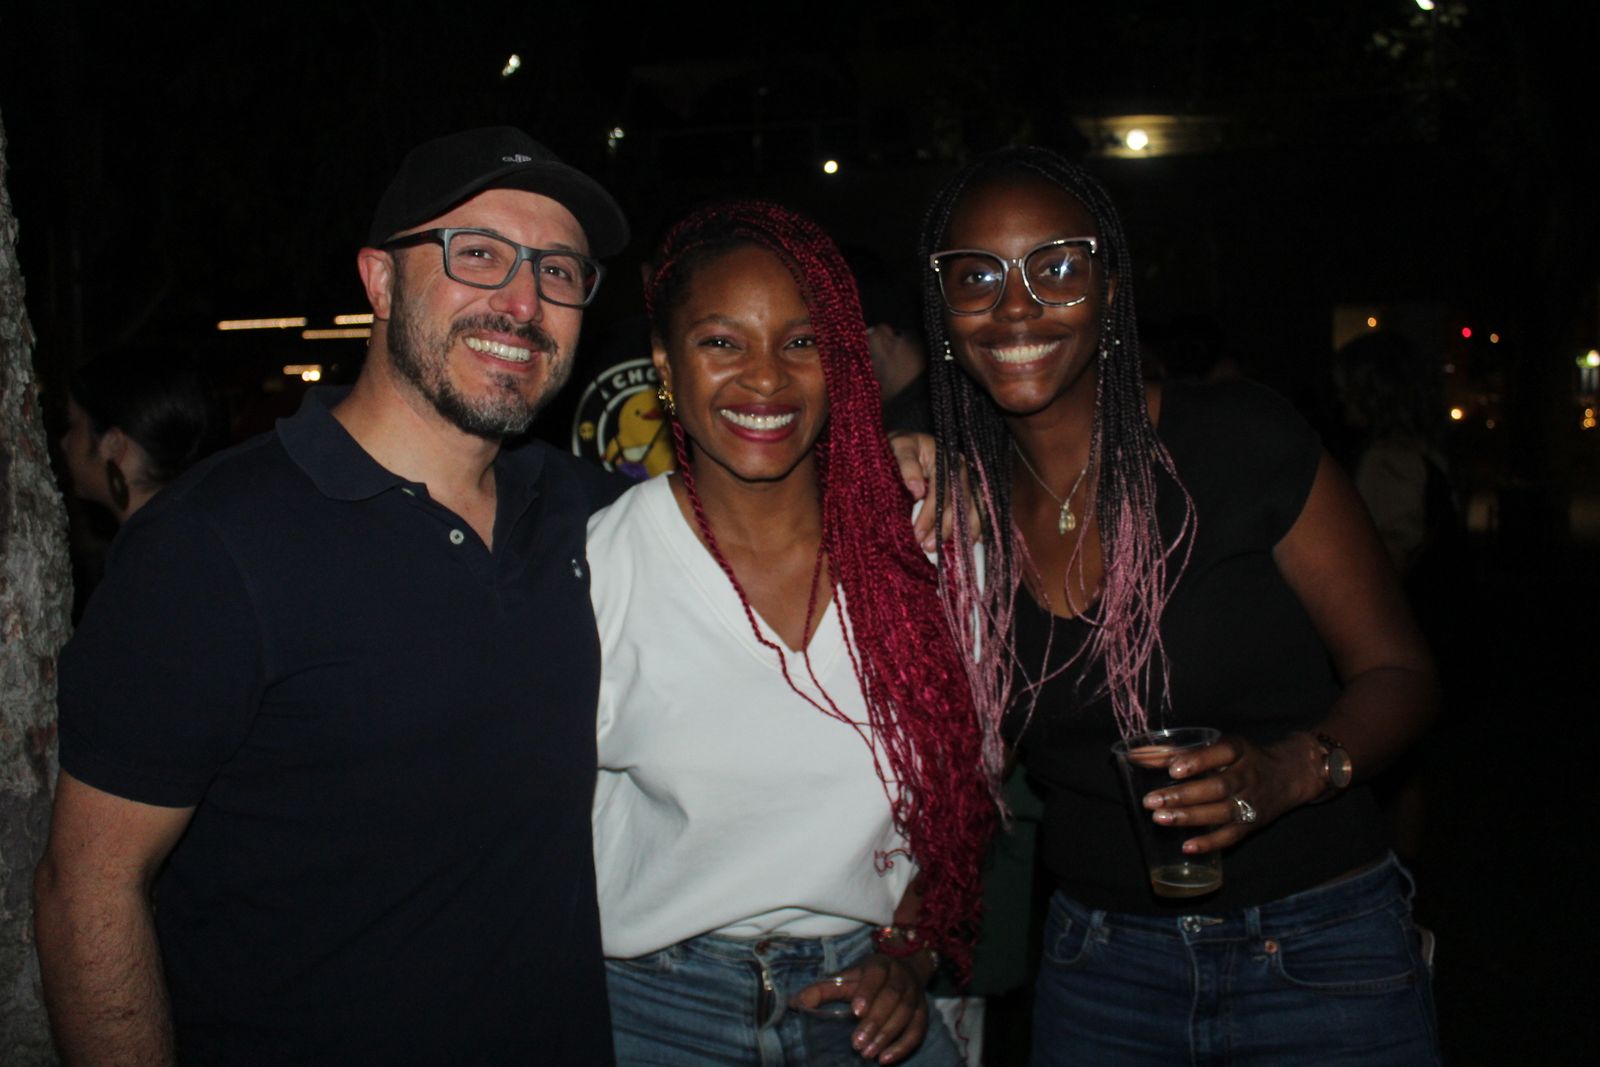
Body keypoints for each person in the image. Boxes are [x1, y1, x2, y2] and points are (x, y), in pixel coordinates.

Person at [33, 127, 631, 1065]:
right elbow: (89, 886)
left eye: (560, 271)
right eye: (477, 255)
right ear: (380, 282)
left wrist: (907, 467)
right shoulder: (210, 544)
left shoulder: (591, 512)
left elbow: (774, 534)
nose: (523, 302)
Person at [918, 146, 1442, 1064]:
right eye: (978, 276)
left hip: (1321, 947)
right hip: (1100, 964)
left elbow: (1401, 674)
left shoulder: (1241, 442)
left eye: (1057, 266)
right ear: (945, 306)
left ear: (1112, 289)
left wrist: (1288, 772)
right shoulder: (952, 501)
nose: (1015, 305)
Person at [586, 201, 994, 1066]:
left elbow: (965, 802)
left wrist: (909, 958)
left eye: (801, 343)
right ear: (665, 364)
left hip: (865, 1000)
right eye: (722, 342)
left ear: (842, 359)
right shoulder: (602, 565)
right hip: (652, 1008)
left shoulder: (928, 544)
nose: (764, 379)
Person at [58, 346, 224, 524]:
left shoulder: (147, 546)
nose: (64, 443)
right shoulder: (198, 526)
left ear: (114, 444)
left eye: (73, 424)